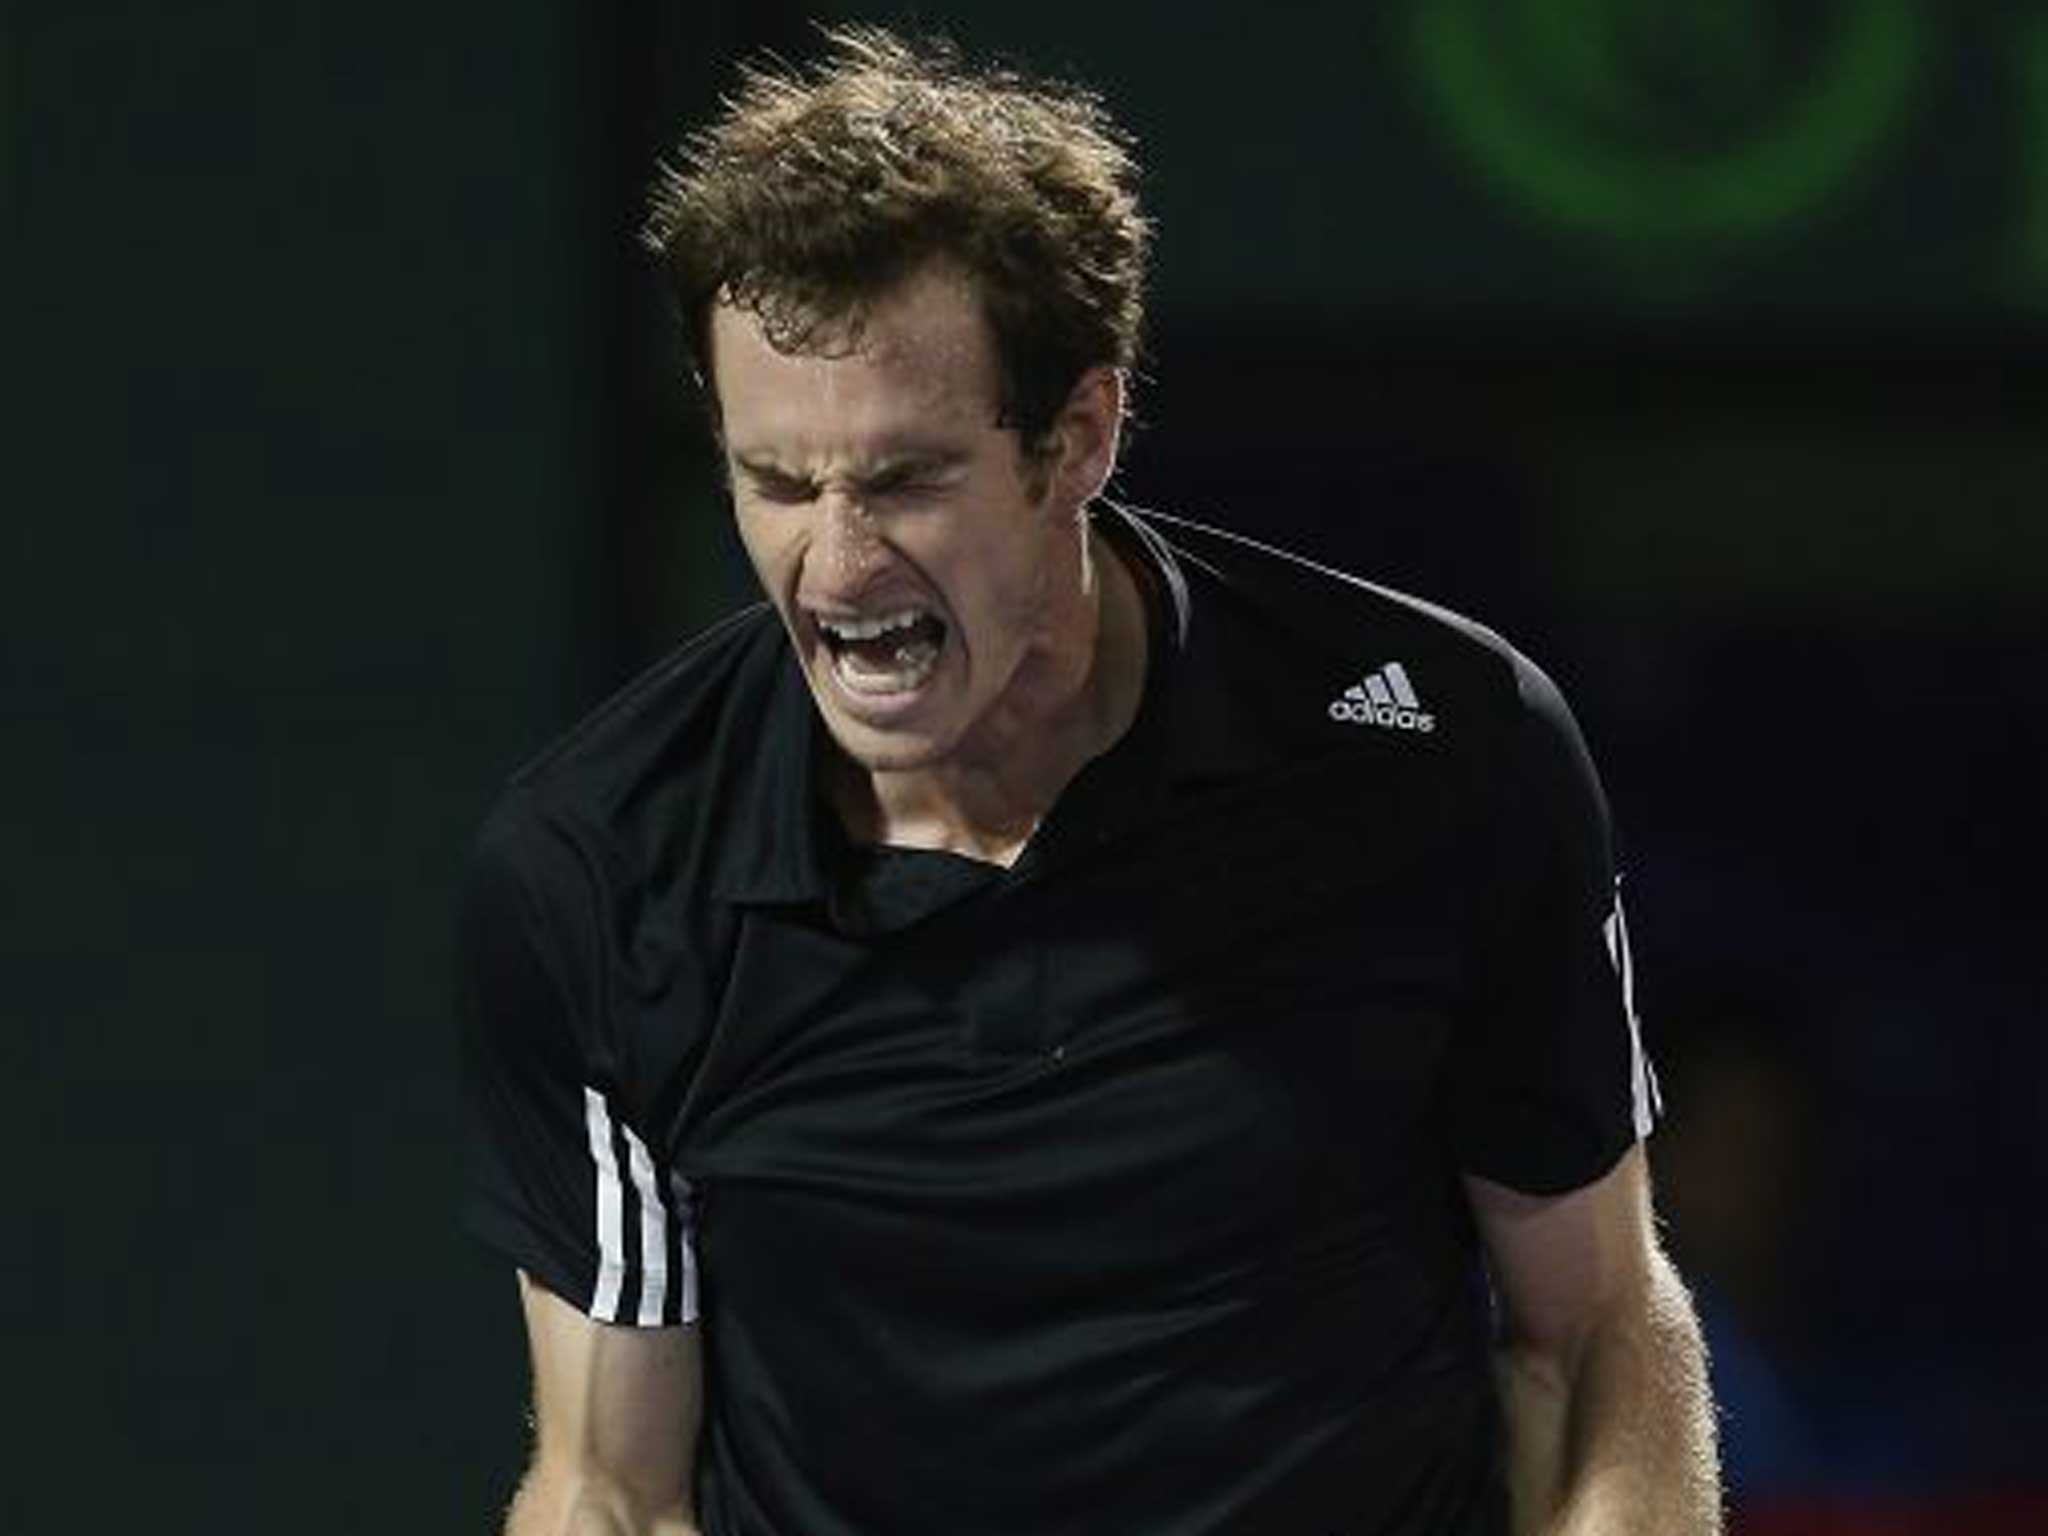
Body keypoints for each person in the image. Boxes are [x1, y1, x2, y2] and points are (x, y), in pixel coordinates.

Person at [458, 25, 1723, 1536]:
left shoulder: (1446, 754)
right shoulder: (599, 871)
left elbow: (1589, 1344)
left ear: (1079, 440)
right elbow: (611, 1492)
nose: (839, 564)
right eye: (777, 482)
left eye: (908, 478)